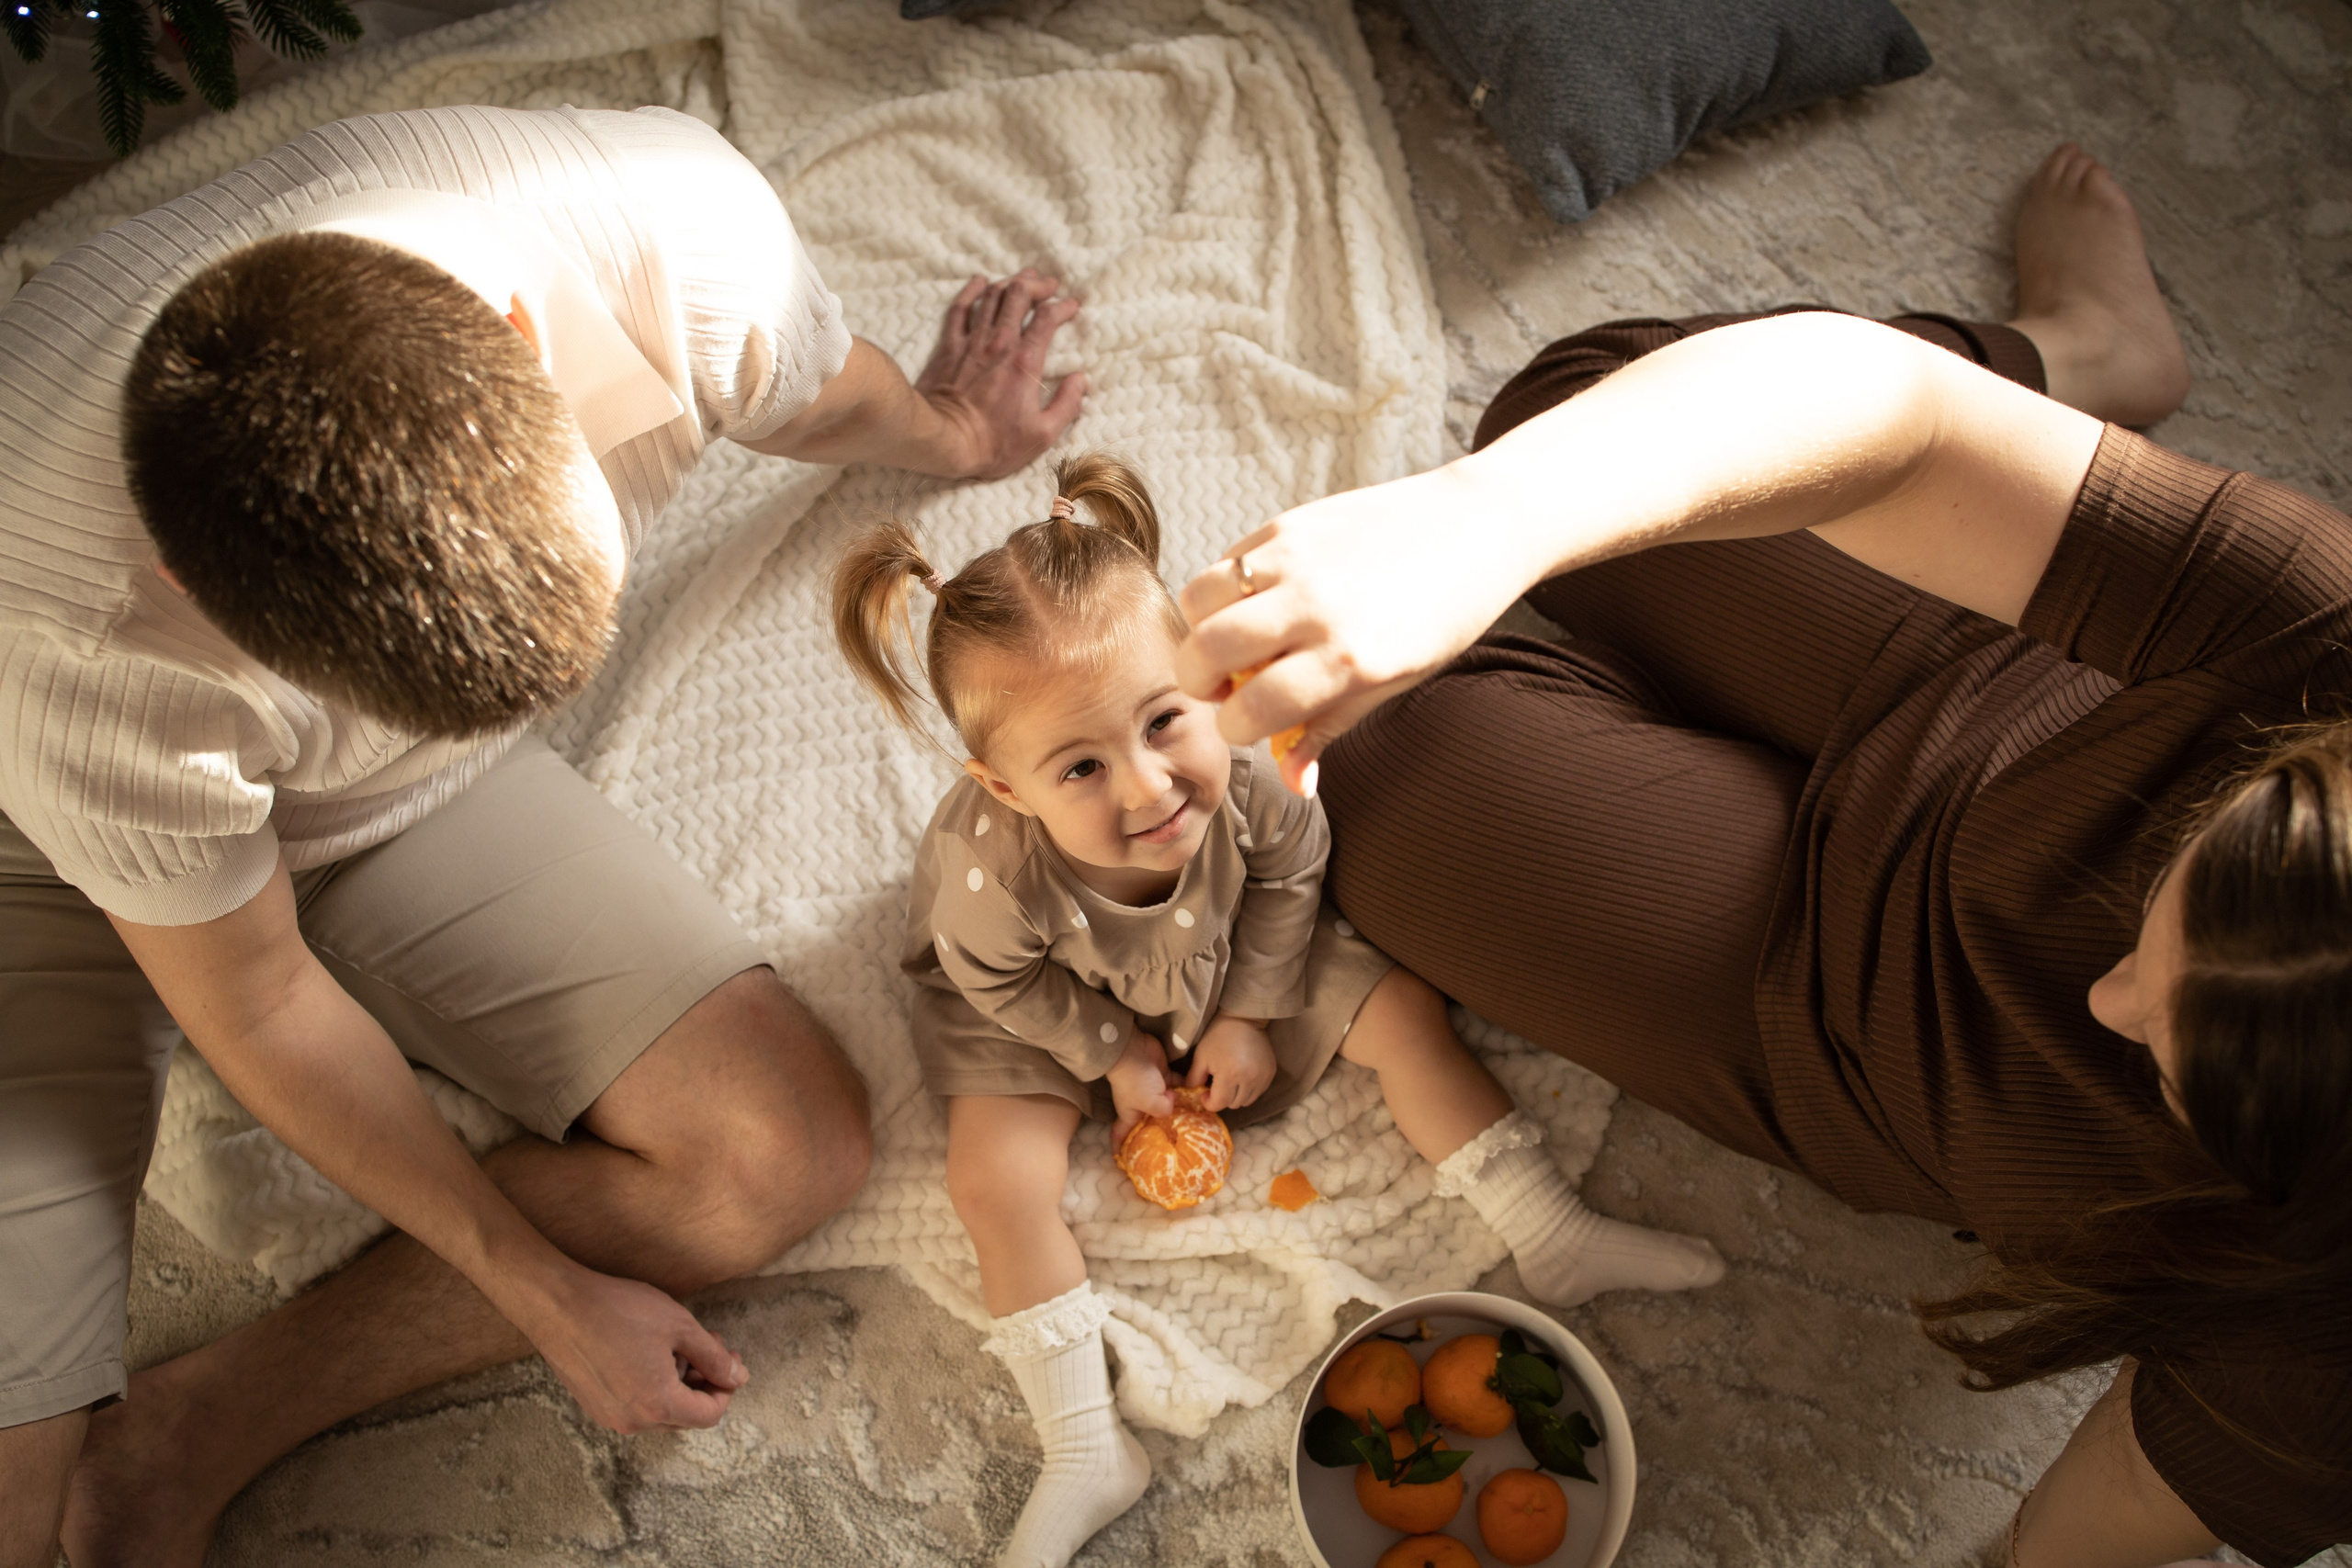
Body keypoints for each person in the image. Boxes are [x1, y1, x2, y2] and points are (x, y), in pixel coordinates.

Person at [1173, 143, 2350, 1568]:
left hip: (1848, 1025)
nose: (2105, 994)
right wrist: (1481, 525)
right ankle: (2083, 353)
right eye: (2174, 891)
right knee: (1573, 402)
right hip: (1989, 673)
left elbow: (2149, 1488)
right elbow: (1901, 419)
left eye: (2164, 1056)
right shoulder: (2335, 631)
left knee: (1359, 766)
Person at [0, 104, 1085, 1568]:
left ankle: (184, 1432)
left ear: (517, 333)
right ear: (192, 582)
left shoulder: (670, 233)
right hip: (35, 800)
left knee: (767, 1149)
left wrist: (953, 425)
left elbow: (820, 391)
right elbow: (254, 1001)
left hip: (343, 788)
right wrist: (538, 1285)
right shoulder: (87, 650)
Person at [829, 454, 1724, 1568]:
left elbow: (1295, 873)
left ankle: (1548, 1232)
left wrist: (1249, 1012)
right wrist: (1110, 1053)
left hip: (1222, 954)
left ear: (1205, 686)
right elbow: (999, 982)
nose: (1149, 788)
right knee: (990, 1182)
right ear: (1005, 789)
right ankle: (1083, 1444)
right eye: (1080, 770)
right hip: (1049, 1001)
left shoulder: (1250, 778)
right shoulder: (988, 879)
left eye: (1164, 722)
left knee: (1401, 1012)